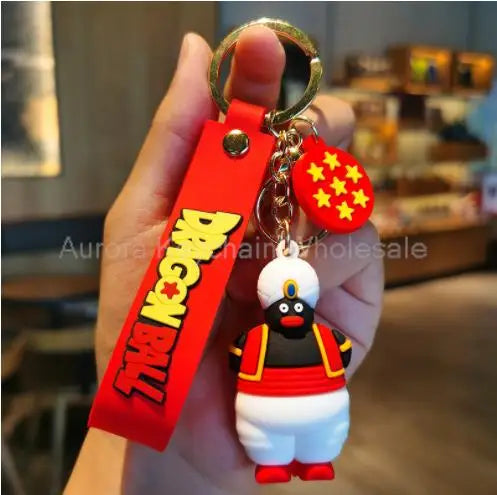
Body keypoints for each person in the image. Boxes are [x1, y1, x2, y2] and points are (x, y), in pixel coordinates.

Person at [65, 26, 383, 495]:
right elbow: (252, 355)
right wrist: (138, 453)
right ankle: (276, 458)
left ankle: (309, 457)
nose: (291, 307)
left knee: (320, 430)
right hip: (246, 406)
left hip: (303, 405)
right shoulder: (268, 335)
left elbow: (313, 350)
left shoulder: (294, 328)